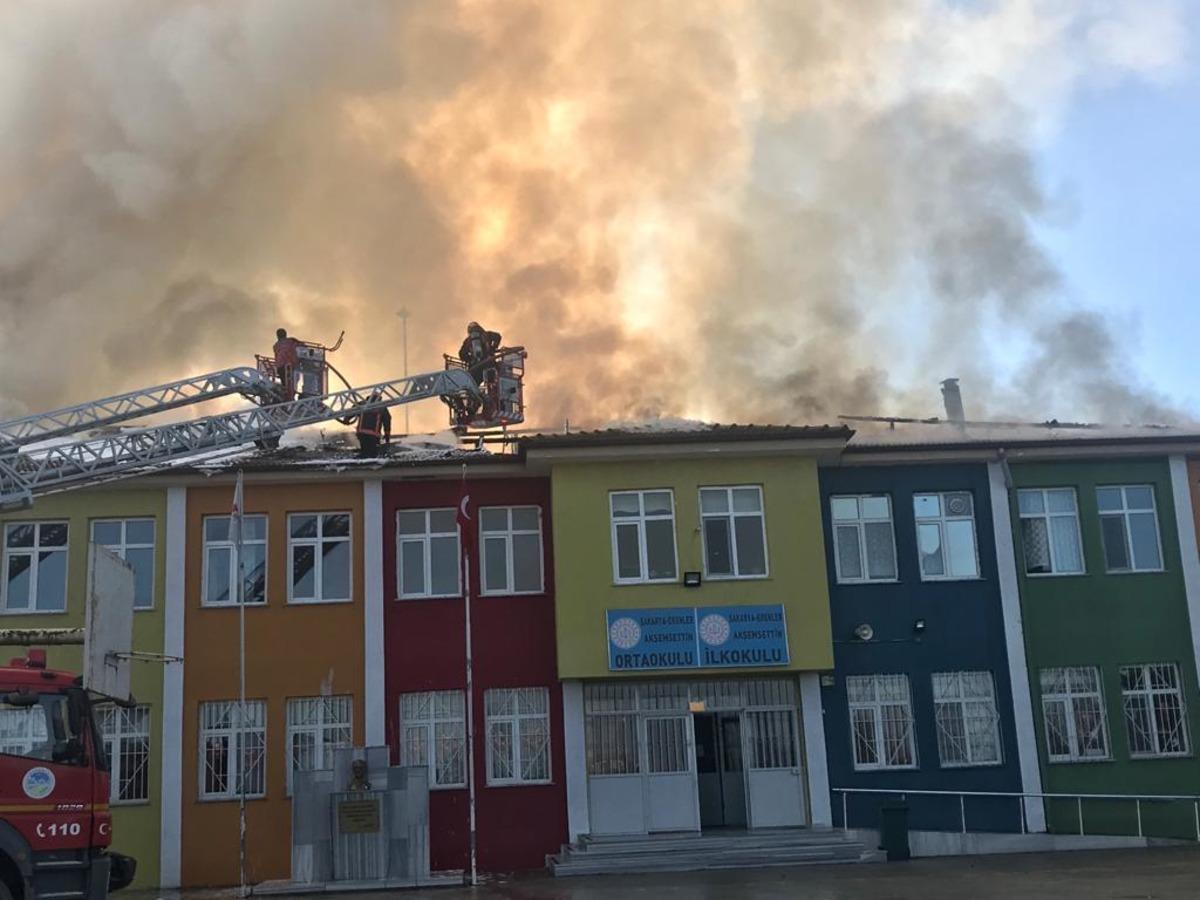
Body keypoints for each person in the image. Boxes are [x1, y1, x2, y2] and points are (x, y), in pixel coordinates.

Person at [355, 392, 392, 459]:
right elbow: (387, 423)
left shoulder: (362, 404)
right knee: (372, 454)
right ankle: (368, 459)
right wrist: (387, 439)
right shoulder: (382, 407)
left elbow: (350, 412)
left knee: (365, 451)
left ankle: (362, 456)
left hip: (361, 434)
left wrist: (346, 420)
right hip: (373, 435)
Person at [273, 328, 300, 400]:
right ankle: (289, 395)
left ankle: (286, 394)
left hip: (280, 366)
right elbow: (301, 347)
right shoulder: (291, 342)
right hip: (289, 366)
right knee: (291, 382)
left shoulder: (276, 345)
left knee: (285, 382)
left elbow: (277, 355)